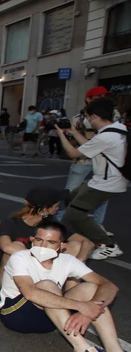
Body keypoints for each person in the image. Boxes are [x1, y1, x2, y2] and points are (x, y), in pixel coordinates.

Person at [0, 221, 129, 352]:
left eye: (51, 242)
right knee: (47, 284)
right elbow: (30, 293)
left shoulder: (67, 260)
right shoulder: (20, 257)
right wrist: (81, 307)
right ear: (32, 239)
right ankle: (83, 351)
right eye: (39, 240)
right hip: (16, 315)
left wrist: (91, 311)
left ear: (62, 245)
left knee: (90, 288)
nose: (43, 246)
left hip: (52, 318)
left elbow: (109, 286)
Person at [56, 98, 127, 260]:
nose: (87, 120)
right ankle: (86, 230)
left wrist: (61, 135)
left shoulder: (106, 137)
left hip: (105, 184)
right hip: (111, 180)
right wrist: (73, 133)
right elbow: (91, 146)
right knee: (72, 197)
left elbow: (74, 153)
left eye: (88, 117)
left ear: (94, 117)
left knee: (74, 214)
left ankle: (108, 245)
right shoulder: (117, 129)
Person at [0, 188, 93, 290]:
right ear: (45, 209)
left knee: (75, 246)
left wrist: (79, 260)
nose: (58, 209)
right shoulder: (11, 223)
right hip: (10, 277)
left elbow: (87, 242)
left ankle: (70, 294)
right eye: (56, 206)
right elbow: (6, 247)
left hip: (41, 273)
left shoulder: (51, 224)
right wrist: (42, 258)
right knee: (16, 246)